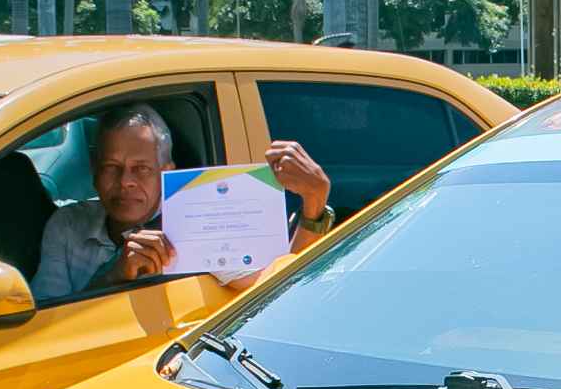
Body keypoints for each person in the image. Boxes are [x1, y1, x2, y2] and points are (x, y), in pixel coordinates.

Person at [31, 103, 337, 301]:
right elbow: (43, 322)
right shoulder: (68, 225)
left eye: (141, 169)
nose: (125, 181)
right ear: (94, 172)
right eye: (112, 167)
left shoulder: (199, 220)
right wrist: (113, 276)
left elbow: (277, 295)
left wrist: (314, 203)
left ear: (166, 173)